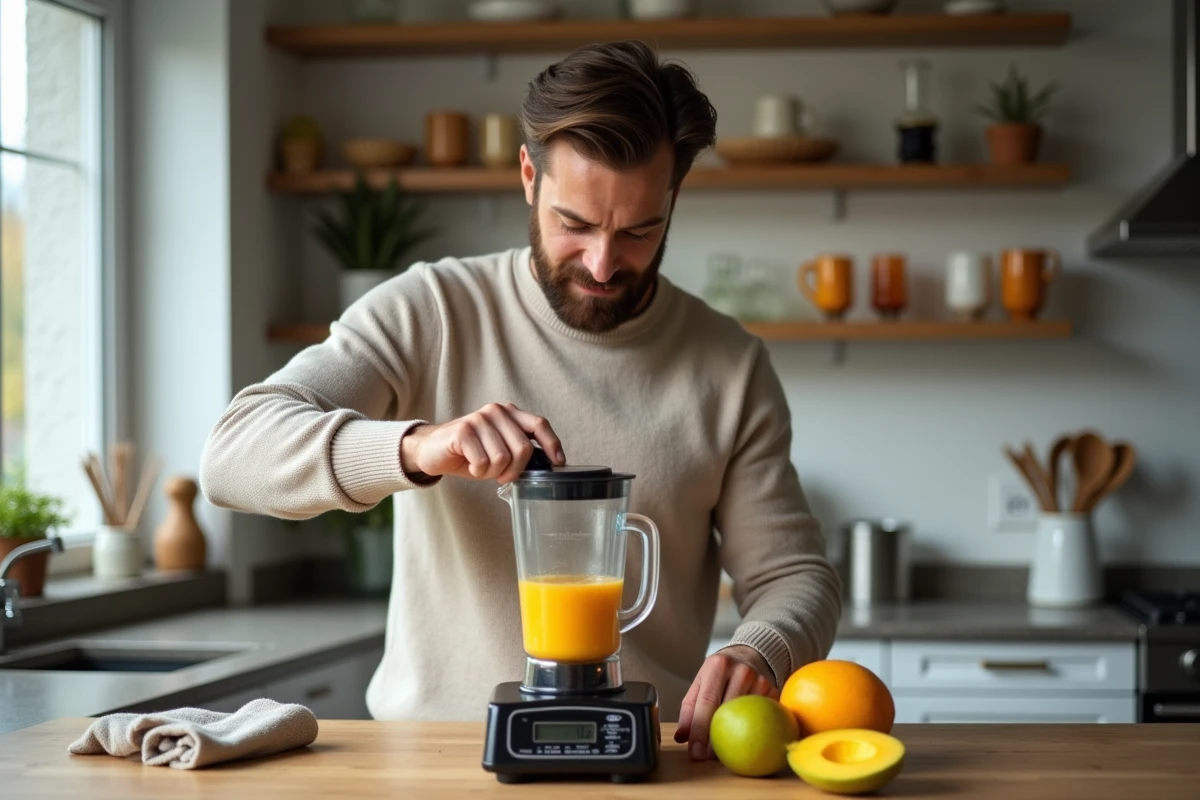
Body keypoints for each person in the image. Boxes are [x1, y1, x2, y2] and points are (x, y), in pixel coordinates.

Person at [200, 40, 841, 761]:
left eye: (639, 230)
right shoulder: (431, 311)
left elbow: (794, 574)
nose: (603, 264)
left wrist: (764, 646)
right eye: (576, 224)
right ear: (530, 178)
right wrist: (415, 448)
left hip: (643, 757)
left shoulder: (729, 365)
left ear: (674, 198)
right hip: (428, 762)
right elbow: (232, 454)